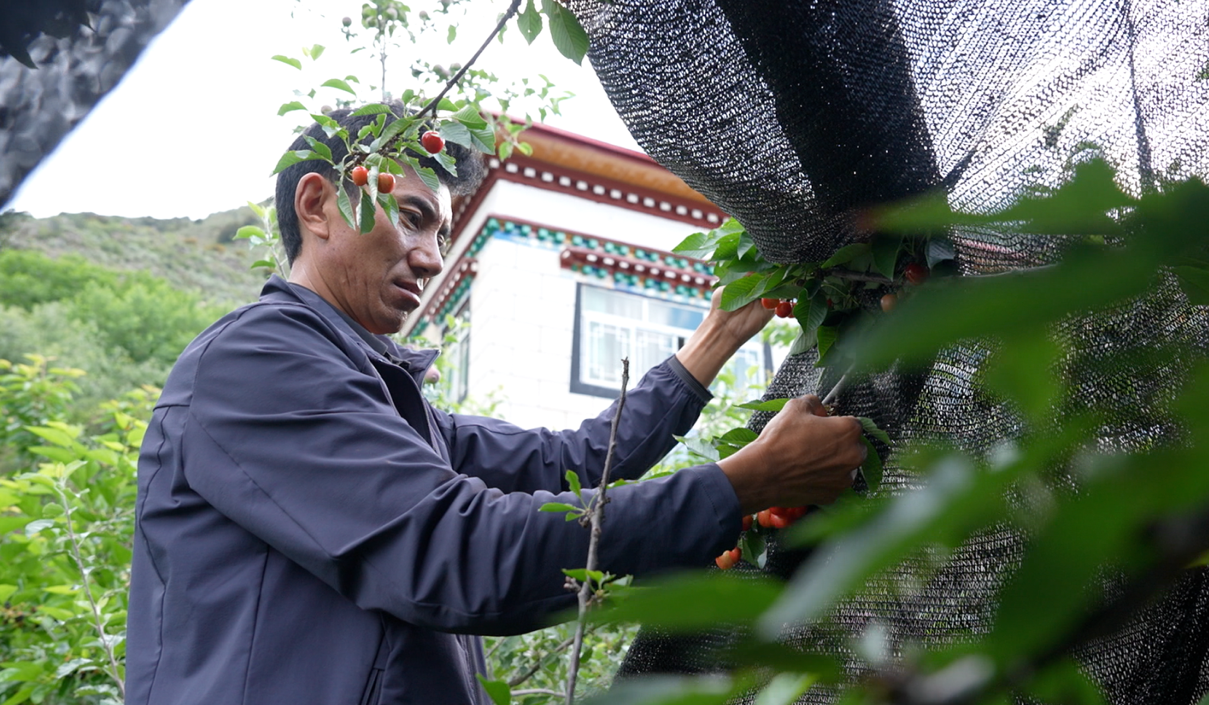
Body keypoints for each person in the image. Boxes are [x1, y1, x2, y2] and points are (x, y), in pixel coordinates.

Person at [125, 105, 866, 705]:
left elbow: (570, 460)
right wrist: (744, 484)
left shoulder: (391, 406)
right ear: (319, 205)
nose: (432, 257)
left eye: (441, 233)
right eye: (412, 217)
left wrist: (714, 339)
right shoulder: (256, 362)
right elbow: (461, 551)